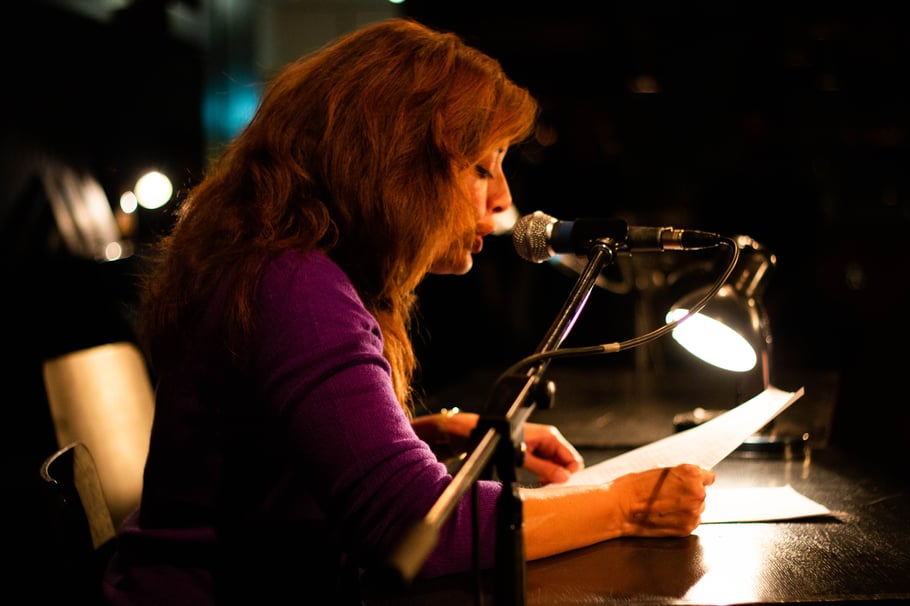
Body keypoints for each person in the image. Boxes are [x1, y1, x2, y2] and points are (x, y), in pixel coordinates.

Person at [102, 17, 715, 605]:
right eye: (481, 166)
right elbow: (412, 529)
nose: (503, 199)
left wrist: (434, 435)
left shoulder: (275, 262)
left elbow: (271, 472)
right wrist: (625, 505)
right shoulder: (296, 286)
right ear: (395, 165)